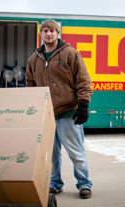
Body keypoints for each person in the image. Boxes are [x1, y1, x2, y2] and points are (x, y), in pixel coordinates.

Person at [26, 19, 93, 199]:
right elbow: (30, 84)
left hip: (69, 112)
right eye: (45, 30)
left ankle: (84, 184)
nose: (49, 34)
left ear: (57, 34)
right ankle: (55, 183)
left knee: (76, 152)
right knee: (51, 154)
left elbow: (83, 80)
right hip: (46, 115)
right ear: (41, 34)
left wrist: (83, 105)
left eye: (52, 31)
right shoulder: (34, 59)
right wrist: (35, 108)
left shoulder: (70, 54)